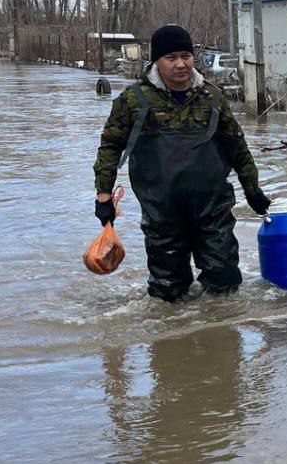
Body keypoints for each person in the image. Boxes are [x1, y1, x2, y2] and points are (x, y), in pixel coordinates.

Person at [92, 24, 270, 301]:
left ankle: (221, 327)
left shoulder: (213, 97)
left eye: (186, 56)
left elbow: (238, 147)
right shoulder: (133, 100)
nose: (180, 64)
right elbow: (110, 148)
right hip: (162, 213)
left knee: (225, 284)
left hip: (212, 209)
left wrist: (253, 190)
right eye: (171, 57)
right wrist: (104, 195)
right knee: (168, 293)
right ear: (156, 61)